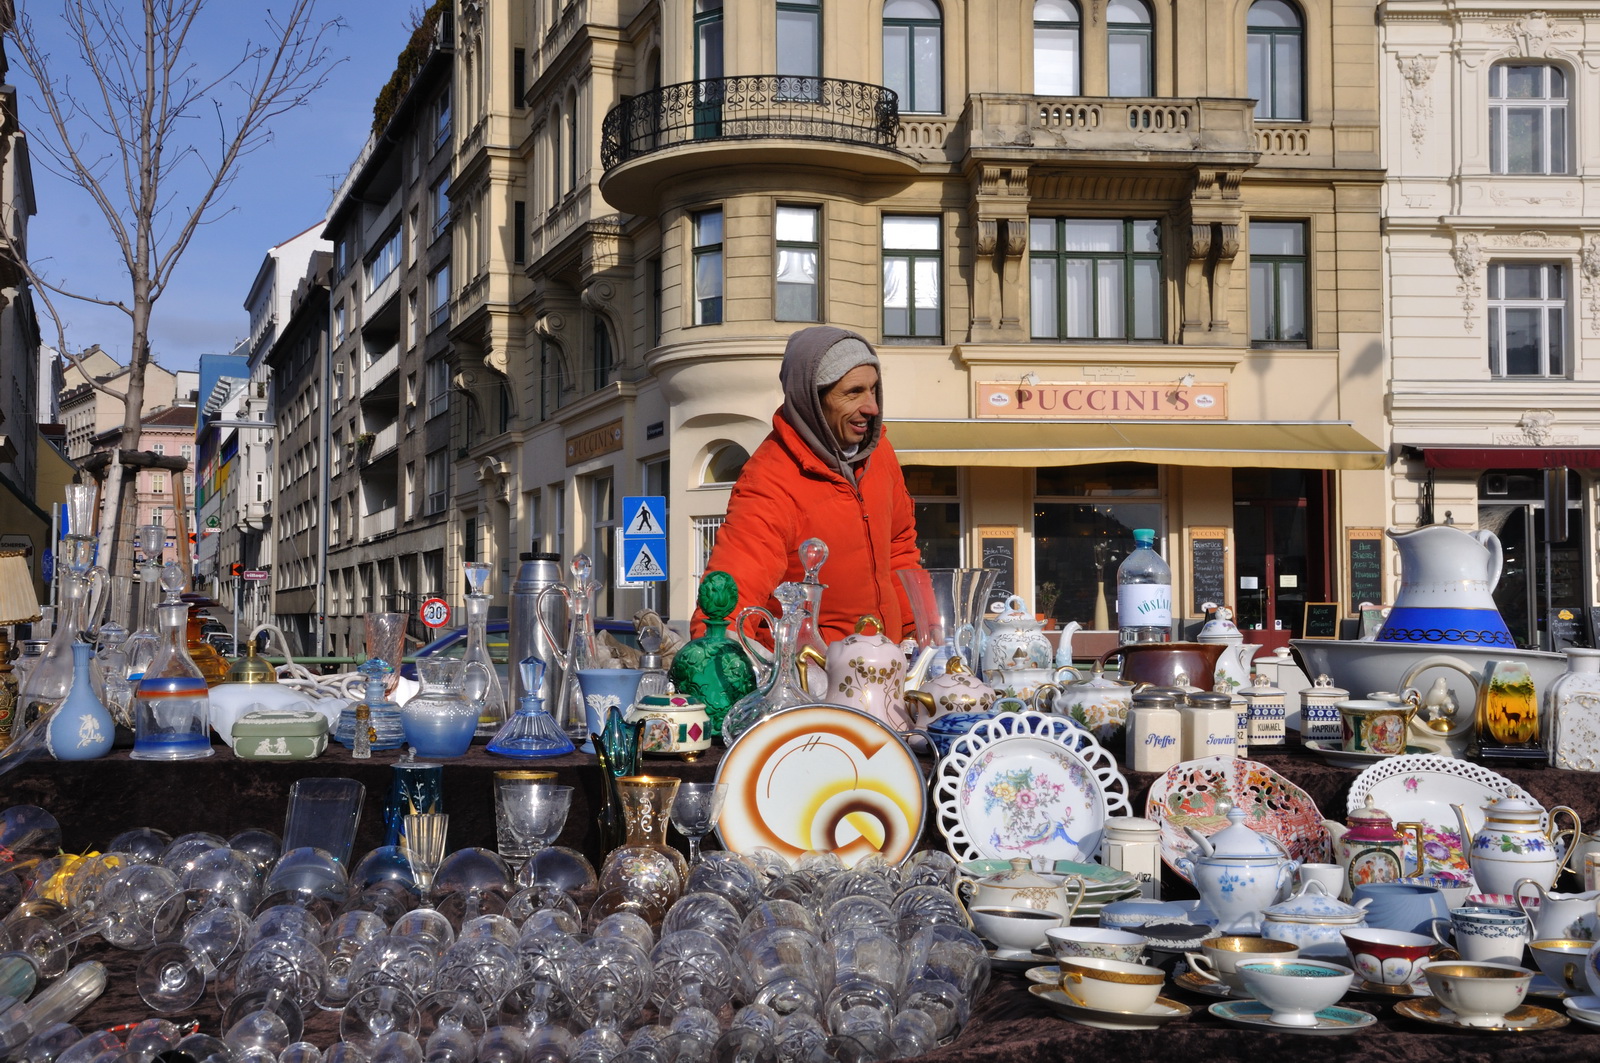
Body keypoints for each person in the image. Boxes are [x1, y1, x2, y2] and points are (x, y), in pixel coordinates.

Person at [693, 325, 923, 645]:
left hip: (887, 662)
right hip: (813, 669)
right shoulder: (770, 481)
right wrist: (716, 655)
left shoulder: (879, 454)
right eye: (854, 392)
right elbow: (732, 594)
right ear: (812, 399)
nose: (871, 407)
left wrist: (921, 632)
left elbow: (899, 550)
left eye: (873, 389)